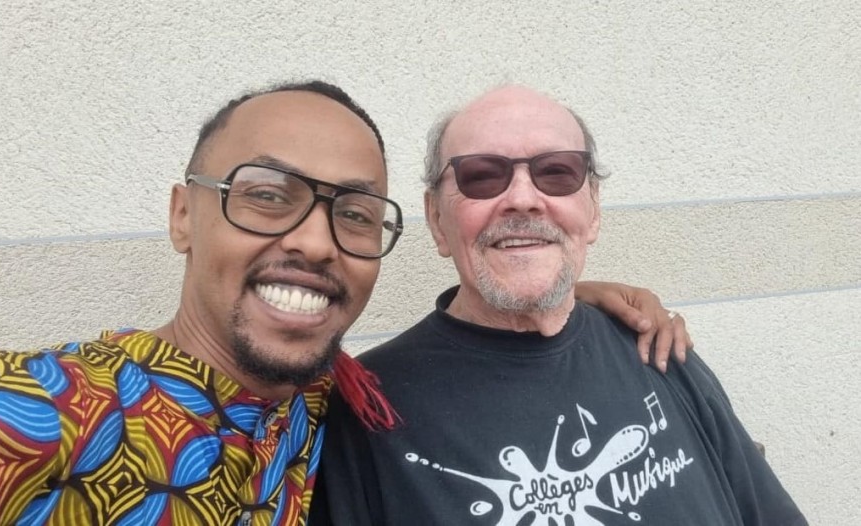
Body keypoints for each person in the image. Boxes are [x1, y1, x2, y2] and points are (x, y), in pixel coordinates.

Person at [0, 80, 688, 526]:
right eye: (267, 195)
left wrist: (555, 290)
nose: (316, 242)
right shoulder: (42, 411)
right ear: (182, 217)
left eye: (353, 213)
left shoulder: (335, 398)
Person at [311, 85, 808, 525]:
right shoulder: (364, 410)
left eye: (557, 171)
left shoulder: (659, 350)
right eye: (482, 175)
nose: (523, 199)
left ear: (593, 208)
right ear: (437, 219)